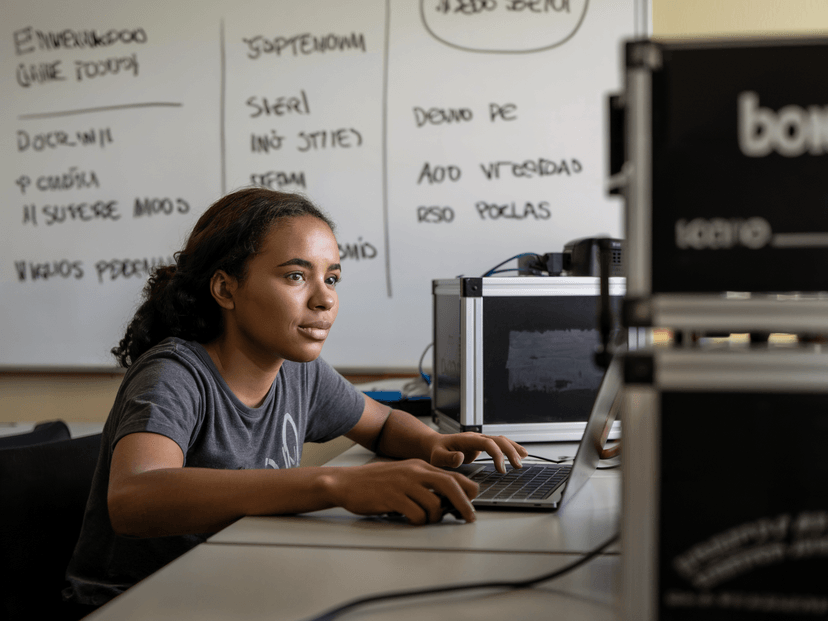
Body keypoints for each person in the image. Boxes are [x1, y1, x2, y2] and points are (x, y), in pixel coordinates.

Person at [64, 187, 527, 608]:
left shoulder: (298, 372)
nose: (324, 299)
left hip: (237, 582)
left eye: (332, 279)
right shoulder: (174, 374)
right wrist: (333, 484)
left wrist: (432, 444)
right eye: (295, 276)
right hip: (140, 602)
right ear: (226, 288)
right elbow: (134, 498)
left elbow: (383, 424)